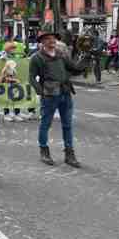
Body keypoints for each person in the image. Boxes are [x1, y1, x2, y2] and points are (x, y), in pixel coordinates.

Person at [30, 28, 87, 167]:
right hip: (49, 95)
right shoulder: (37, 57)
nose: (52, 40)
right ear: (42, 41)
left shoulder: (61, 54)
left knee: (67, 125)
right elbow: (31, 77)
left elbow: (74, 69)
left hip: (65, 92)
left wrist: (86, 59)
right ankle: (44, 151)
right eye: (48, 38)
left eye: (53, 38)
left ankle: (69, 154)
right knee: (45, 124)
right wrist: (41, 91)